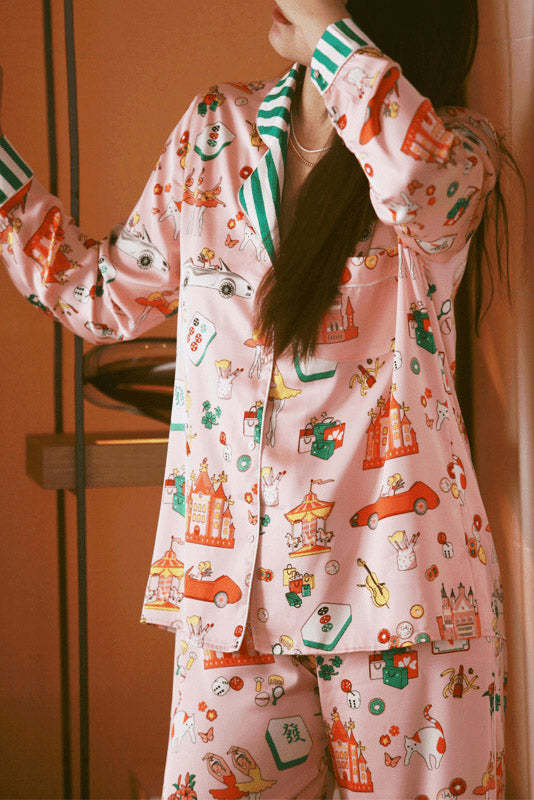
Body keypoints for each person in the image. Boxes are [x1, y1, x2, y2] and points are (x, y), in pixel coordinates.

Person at [0, 1, 520, 797]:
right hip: (232, 601)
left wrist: (329, 35)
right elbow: (101, 298)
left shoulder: (455, 149)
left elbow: (415, 181)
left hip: (405, 600)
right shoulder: (218, 129)